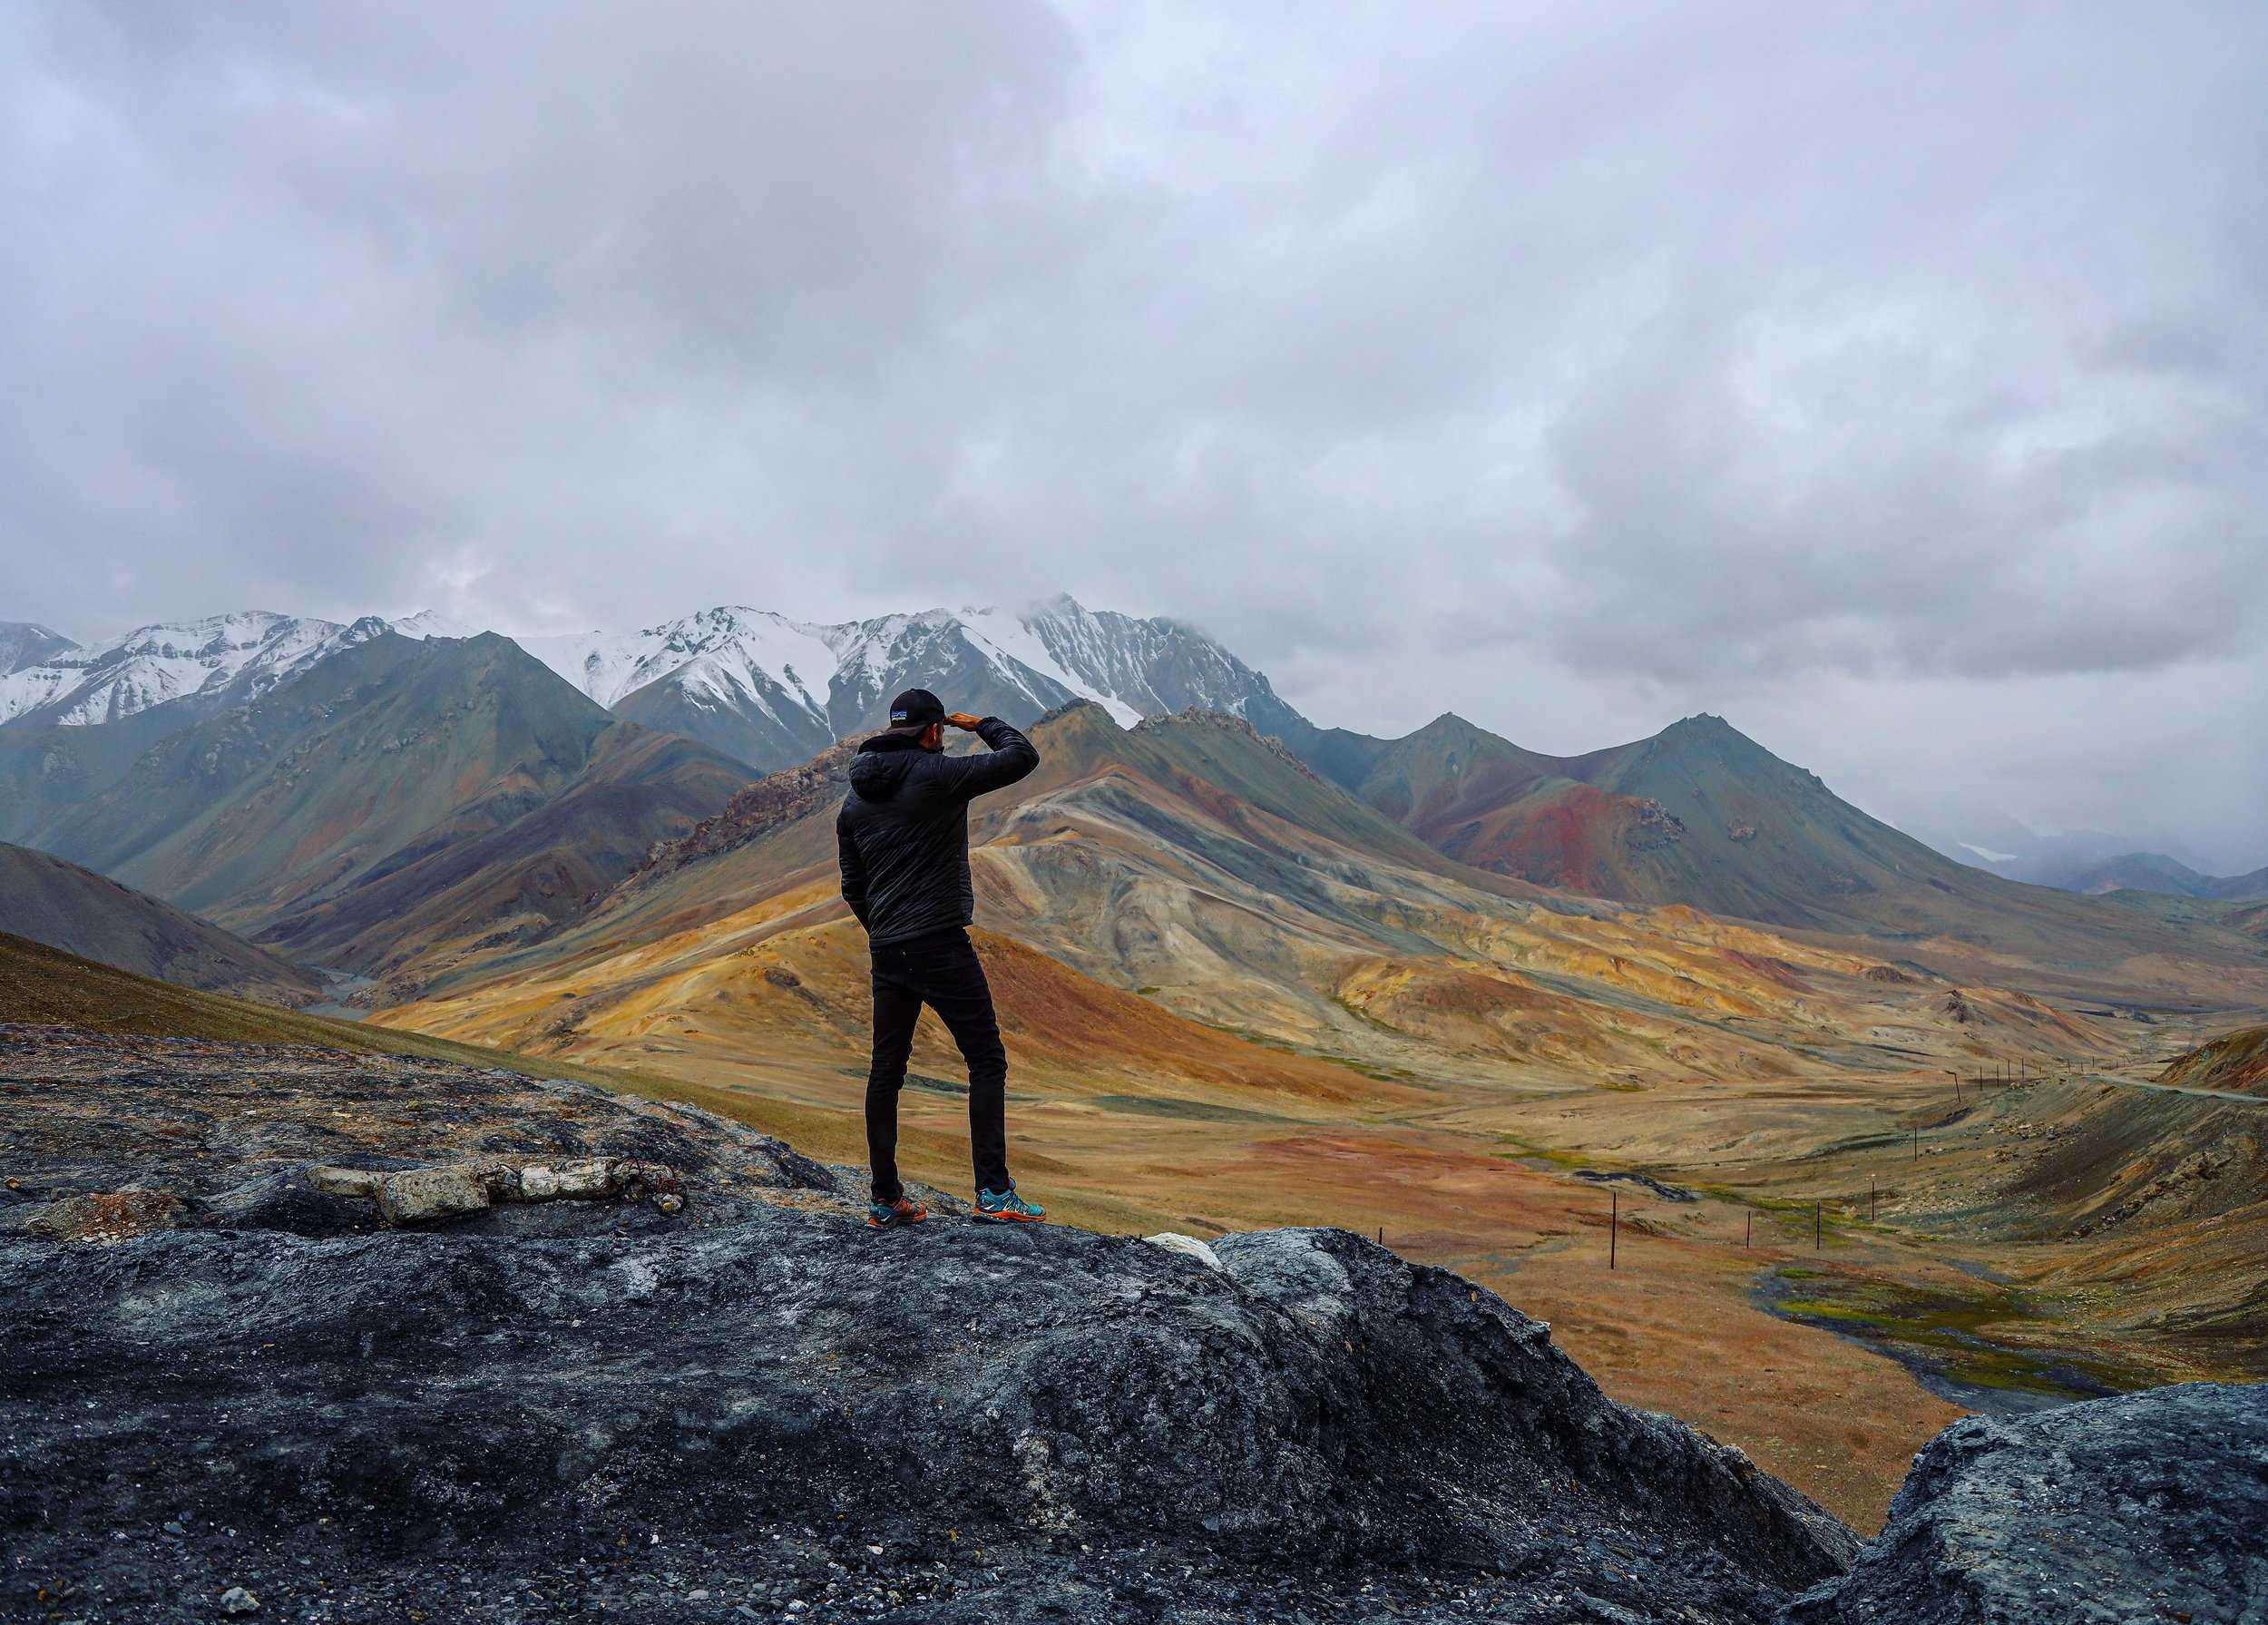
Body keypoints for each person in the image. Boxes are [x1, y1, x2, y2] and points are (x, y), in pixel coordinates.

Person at [836, 687, 1042, 1229]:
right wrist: (981, 725)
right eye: (942, 731)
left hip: (888, 949)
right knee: (985, 1059)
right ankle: (994, 1193)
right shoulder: (939, 774)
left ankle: (885, 1199)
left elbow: (853, 887)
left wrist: (885, 932)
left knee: (886, 1070)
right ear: (934, 731)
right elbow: (1022, 756)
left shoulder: (853, 800)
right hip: (939, 942)